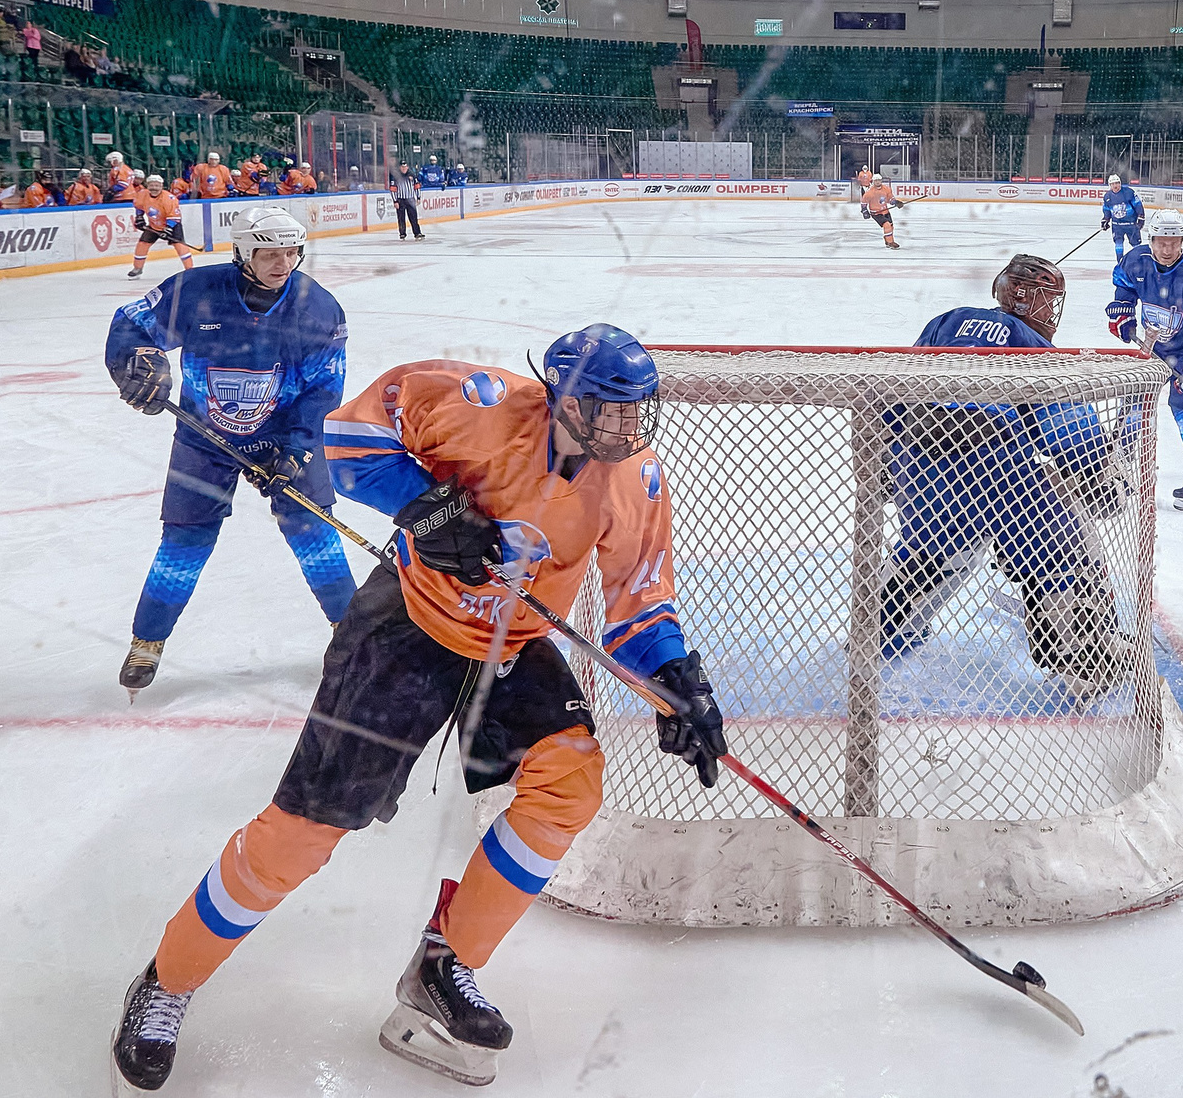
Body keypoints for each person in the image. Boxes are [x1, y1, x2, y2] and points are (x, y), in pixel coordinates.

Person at [106, 325, 722, 1092]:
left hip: (511, 643)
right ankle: (168, 978)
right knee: (304, 833)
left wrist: (676, 683)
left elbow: (638, 606)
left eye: (635, 414)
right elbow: (349, 434)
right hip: (409, 623)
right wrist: (429, 511)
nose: (624, 431)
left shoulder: (637, 477)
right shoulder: (480, 403)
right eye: (605, 411)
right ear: (560, 397)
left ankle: (445, 962)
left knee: (570, 782)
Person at [106, 208, 354, 697]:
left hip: (284, 436)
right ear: (243, 253)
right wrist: (140, 361)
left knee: (314, 535)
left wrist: (297, 452)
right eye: (269, 253)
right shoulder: (196, 292)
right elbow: (131, 324)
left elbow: (324, 390)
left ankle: (351, 635)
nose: (283, 263)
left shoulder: (318, 309)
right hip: (205, 439)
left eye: (290, 252)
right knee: (185, 540)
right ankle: (148, 639)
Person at [882, 256, 1132, 696]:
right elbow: (1068, 428)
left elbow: (900, 384)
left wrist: (889, 462)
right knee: (1063, 553)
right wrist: (1098, 476)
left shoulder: (948, 320)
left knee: (934, 555)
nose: (1052, 312)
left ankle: (878, 631)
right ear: (1025, 298)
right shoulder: (1030, 344)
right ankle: (1082, 662)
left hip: (915, 471)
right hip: (995, 474)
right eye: (1048, 301)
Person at [1106, 210, 1183, 510]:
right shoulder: (1137, 260)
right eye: (1162, 241)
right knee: (1135, 398)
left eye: (1174, 242)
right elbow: (1124, 283)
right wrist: (1122, 308)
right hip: (1156, 345)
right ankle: (1117, 469)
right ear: (1151, 240)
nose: (1168, 249)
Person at [129, 175, 198, 279]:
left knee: (180, 245)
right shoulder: (142, 195)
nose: (154, 188)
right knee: (142, 244)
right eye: (152, 185)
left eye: (157, 185)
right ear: (148, 185)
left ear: (161, 186)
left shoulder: (168, 198)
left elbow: (174, 216)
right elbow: (139, 206)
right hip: (154, 225)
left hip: (172, 224)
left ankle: (190, 270)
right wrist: (139, 217)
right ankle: (137, 269)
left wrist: (168, 229)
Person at [1101, 173, 1144, 261]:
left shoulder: (1129, 192)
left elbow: (1138, 205)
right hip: (1117, 225)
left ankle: (1140, 261)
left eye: (1117, 183)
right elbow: (1107, 209)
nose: (1115, 185)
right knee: (1118, 242)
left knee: (1136, 244)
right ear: (1110, 185)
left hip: (1131, 224)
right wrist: (1105, 219)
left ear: (1120, 183)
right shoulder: (1107, 197)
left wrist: (1141, 216)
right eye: (1113, 184)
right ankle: (1120, 262)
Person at [857, 166, 900, 249]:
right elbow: (864, 202)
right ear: (873, 181)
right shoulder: (870, 192)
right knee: (886, 225)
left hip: (885, 211)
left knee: (891, 226)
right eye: (875, 181)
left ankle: (887, 240)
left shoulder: (886, 189)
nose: (877, 182)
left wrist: (895, 202)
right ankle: (891, 242)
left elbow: (890, 198)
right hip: (876, 213)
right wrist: (865, 211)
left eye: (879, 180)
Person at [390, 163, 424, 240]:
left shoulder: (412, 174)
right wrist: (395, 201)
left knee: (413, 217)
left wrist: (418, 197)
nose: (404, 169)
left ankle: (417, 233)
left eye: (405, 167)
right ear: (400, 167)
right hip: (400, 199)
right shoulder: (396, 176)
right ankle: (402, 233)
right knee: (401, 218)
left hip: (410, 199)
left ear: (407, 167)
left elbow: (417, 186)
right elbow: (393, 189)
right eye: (402, 167)